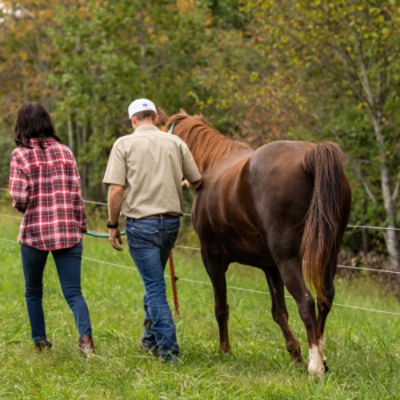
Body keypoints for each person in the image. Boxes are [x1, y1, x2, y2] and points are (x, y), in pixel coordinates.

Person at [103, 98, 201, 363]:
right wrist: (178, 183)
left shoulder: (123, 144)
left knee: (155, 288)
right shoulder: (176, 143)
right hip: (170, 225)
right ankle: (149, 340)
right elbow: (196, 179)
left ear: (133, 120)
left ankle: (169, 351)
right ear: (156, 117)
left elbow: (116, 190)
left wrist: (113, 225)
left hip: (141, 227)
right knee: (154, 281)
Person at [8, 102, 95, 357]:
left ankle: (40, 343)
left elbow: (19, 198)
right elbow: (77, 194)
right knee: (74, 292)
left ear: (22, 125)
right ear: (47, 122)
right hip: (68, 232)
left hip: (35, 232)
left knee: (33, 291)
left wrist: (26, 206)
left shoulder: (20, 155)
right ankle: (86, 341)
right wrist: (81, 225)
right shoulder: (66, 152)